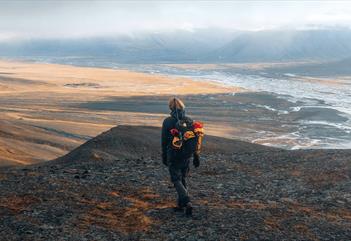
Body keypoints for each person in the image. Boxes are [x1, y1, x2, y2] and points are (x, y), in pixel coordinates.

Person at [161, 97, 201, 217]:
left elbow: (163, 141)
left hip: (173, 154)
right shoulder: (189, 120)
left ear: (171, 108)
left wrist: (164, 156)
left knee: (176, 179)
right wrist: (196, 156)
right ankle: (180, 205)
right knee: (182, 177)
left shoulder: (167, 121)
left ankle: (187, 201)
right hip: (186, 155)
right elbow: (194, 140)